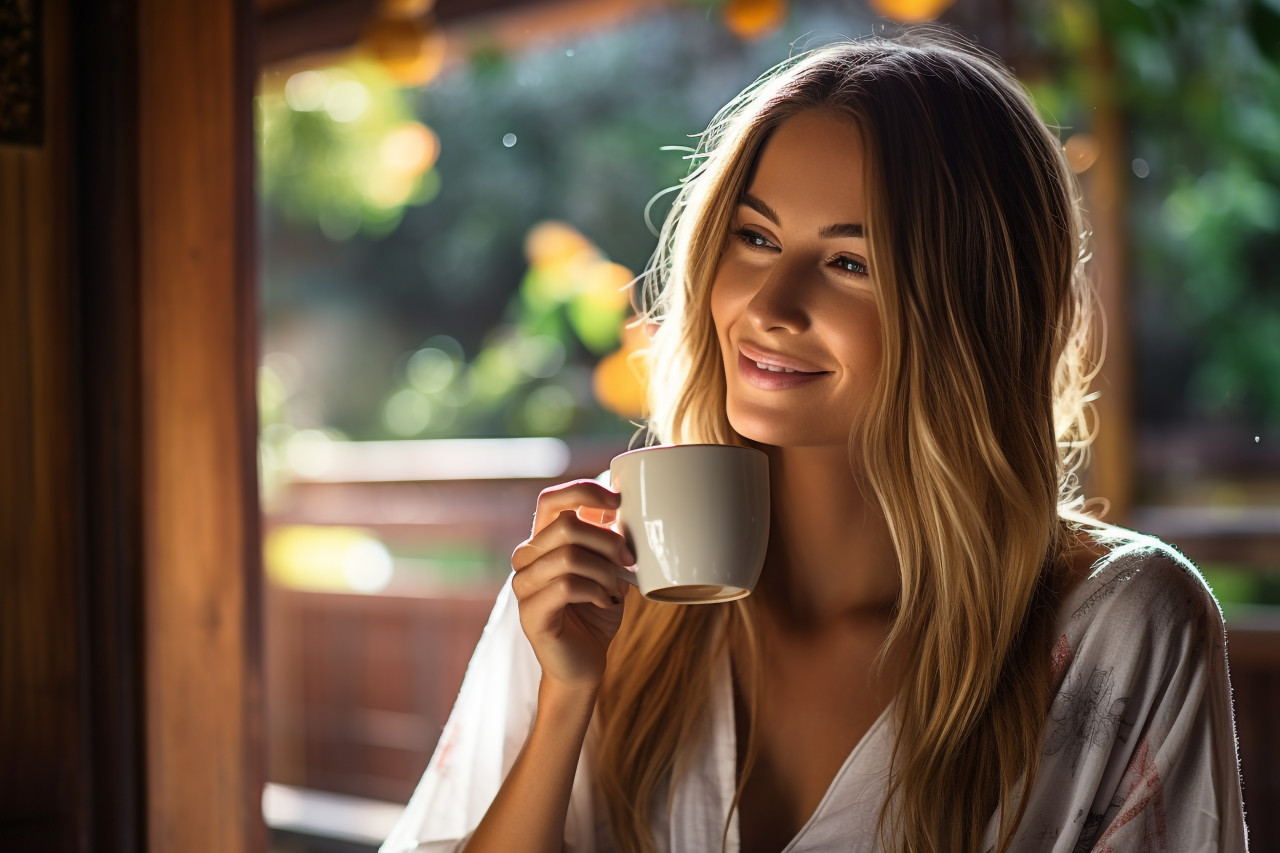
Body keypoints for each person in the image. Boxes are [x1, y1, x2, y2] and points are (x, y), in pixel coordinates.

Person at [382, 30, 1249, 853]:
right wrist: (568, 695)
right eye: (755, 238)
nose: (769, 305)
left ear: (977, 309)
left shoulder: (1119, 625)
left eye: (848, 263)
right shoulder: (598, 582)